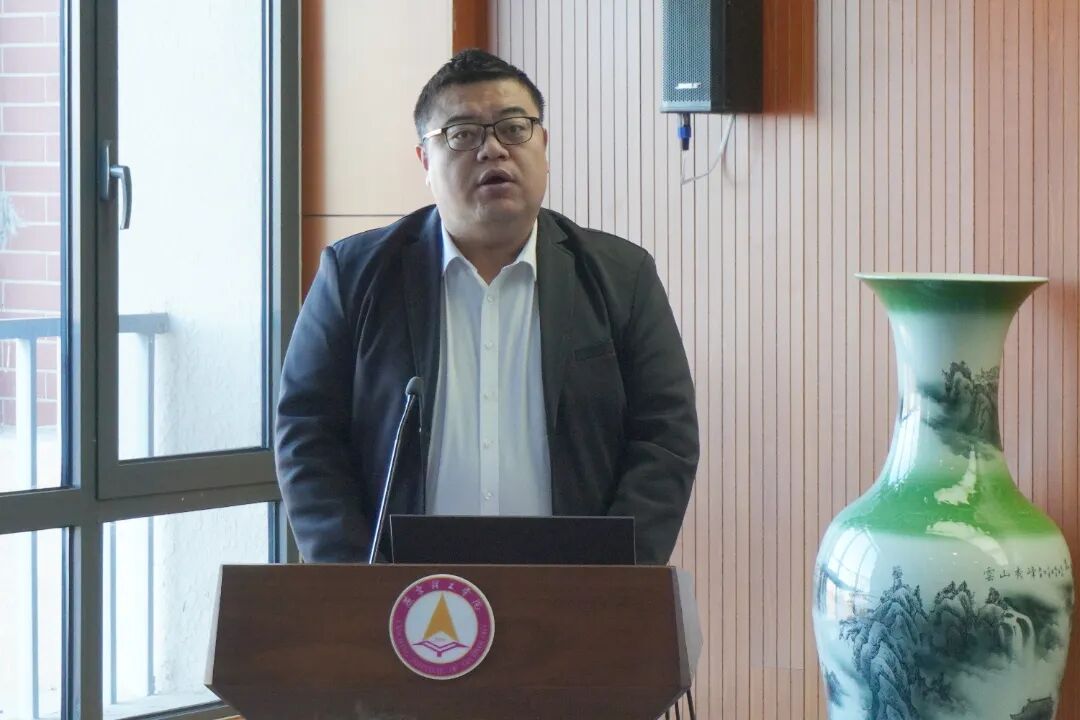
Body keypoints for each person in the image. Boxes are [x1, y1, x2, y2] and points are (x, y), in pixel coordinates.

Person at [275, 49, 698, 565]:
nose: (493, 149)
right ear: (425, 161)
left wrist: (611, 579)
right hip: (402, 594)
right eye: (463, 134)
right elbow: (307, 435)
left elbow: (665, 435)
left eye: (514, 129)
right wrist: (356, 584)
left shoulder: (621, 275)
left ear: (544, 145)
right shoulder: (354, 275)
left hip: (574, 588)